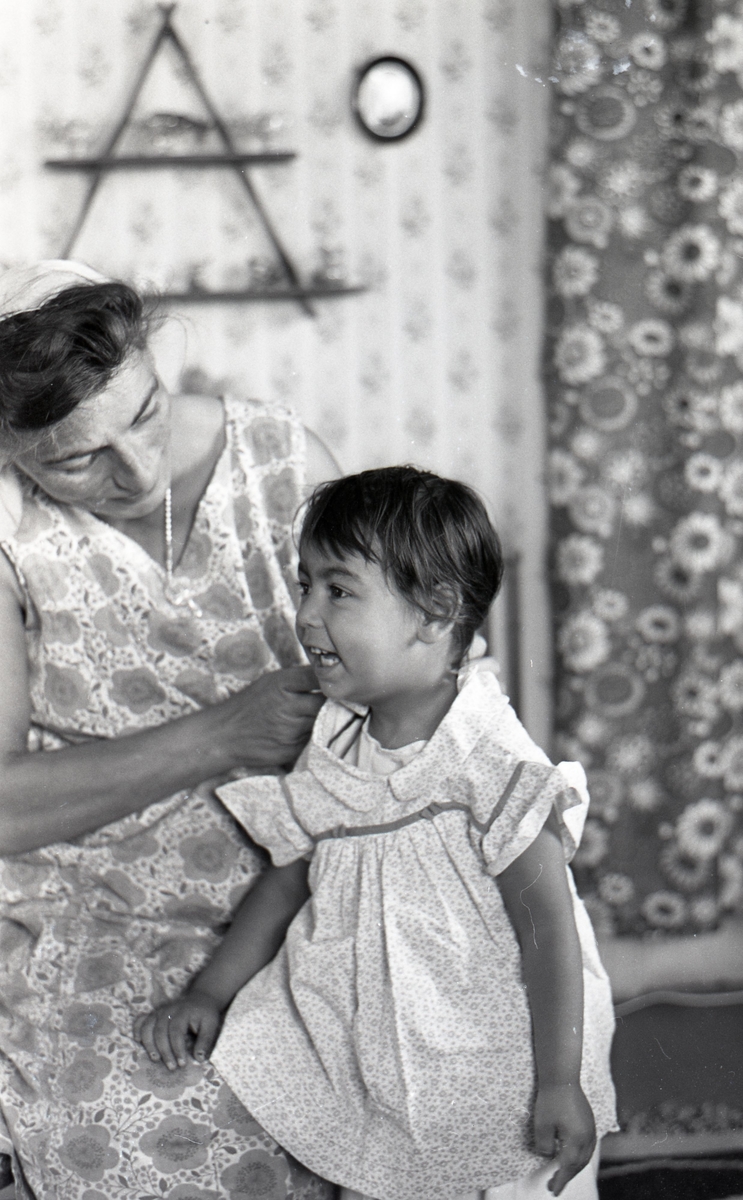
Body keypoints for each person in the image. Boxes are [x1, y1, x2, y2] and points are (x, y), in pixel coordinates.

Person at [138, 466, 618, 1200]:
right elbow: (291, 875)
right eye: (304, 585)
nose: (303, 614)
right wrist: (208, 992)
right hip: (380, 1046)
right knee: (386, 1174)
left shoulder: (487, 761)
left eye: (336, 590)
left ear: (434, 614)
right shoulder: (332, 743)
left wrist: (558, 1078)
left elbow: (549, 930)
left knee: (516, 1181)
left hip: (496, 1053)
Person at [0, 259, 340, 1199]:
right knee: (145, 1124)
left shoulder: (283, 462)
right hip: (96, 914)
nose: (137, 471)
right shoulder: (9, 535)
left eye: (145, 414)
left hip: (314, 888)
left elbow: (415, 680)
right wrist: (219, 735)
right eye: (76, 457)